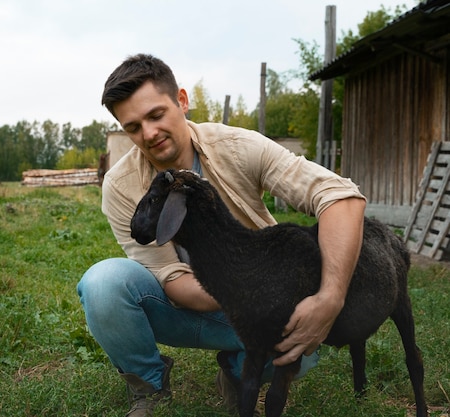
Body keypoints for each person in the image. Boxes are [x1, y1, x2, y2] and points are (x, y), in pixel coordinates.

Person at [77, 53, 366, 416]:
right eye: (133, 127)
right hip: (184, 304)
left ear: (182, 101)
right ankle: (149, 386)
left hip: (261, 305)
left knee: (301, 356)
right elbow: (174, 281)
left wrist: (331, 297)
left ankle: (234, 369)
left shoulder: (238, 146)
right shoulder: (121, 185)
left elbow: (341, 197)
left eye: (156, 115)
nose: (148, 134)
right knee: (103, 283)